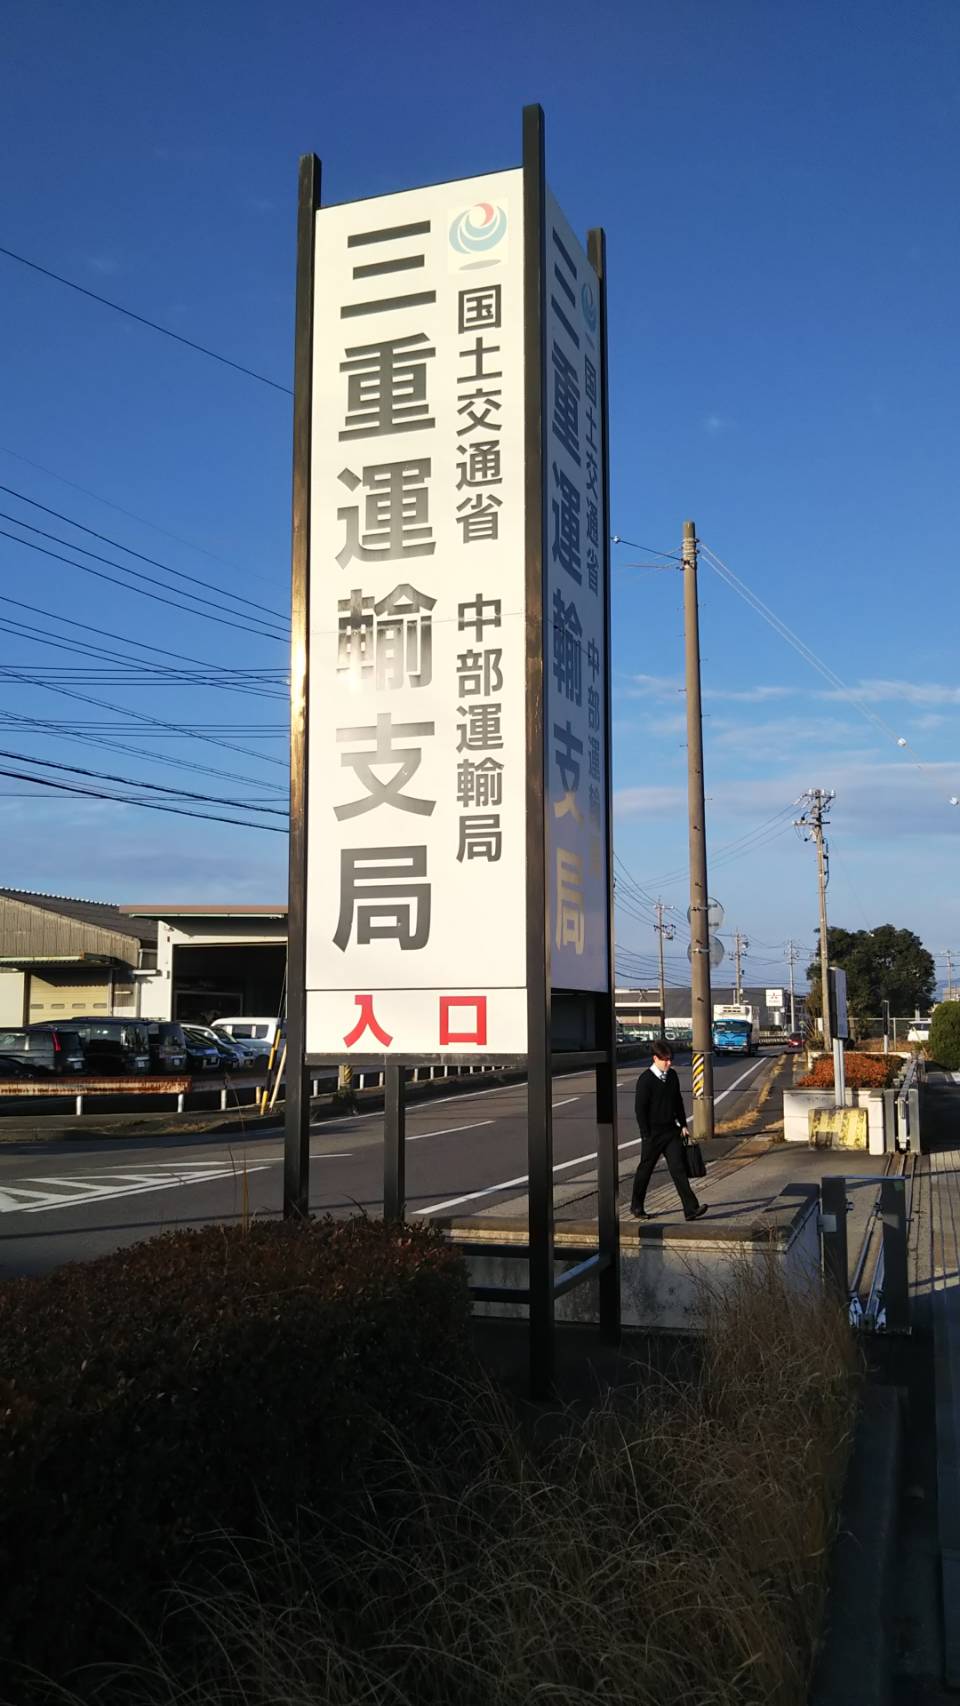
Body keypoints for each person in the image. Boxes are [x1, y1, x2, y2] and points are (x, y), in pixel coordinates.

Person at [629, 1040, 708, 1221]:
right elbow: (639, 1110)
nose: (669, 1063)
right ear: (655, 1058)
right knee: (645, 1170)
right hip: (653, 1134)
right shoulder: (645, 1080)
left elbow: (678, 1101)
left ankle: (691, 1209)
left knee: (678, 1168)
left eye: (670, 1059)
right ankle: (636, 1206)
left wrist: (683, 1125)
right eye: (665, 1060)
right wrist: (645, 1134)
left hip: (671, 1131)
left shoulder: (672, 1076)